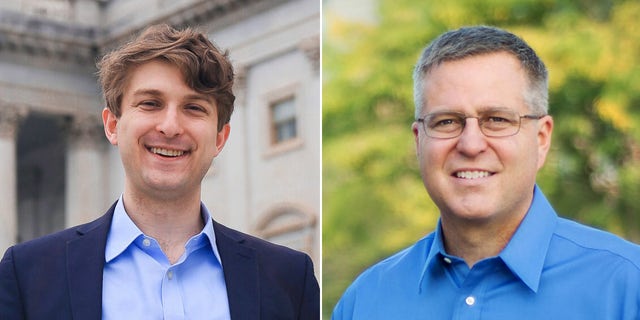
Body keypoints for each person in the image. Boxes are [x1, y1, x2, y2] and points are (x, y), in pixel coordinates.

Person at [0, 24, 319, 320]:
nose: (170, 127)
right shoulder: (27, 276)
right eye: (150, 103)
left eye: (194, 108)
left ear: (220, 138)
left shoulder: (290, 279)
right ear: (113, 125)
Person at [332, 25, 640, 319]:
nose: (471, 144)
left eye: (496, 119)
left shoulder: (627, 287)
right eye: (447, 122)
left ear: (541, 138)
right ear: (418, 141)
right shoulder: (364, 302)